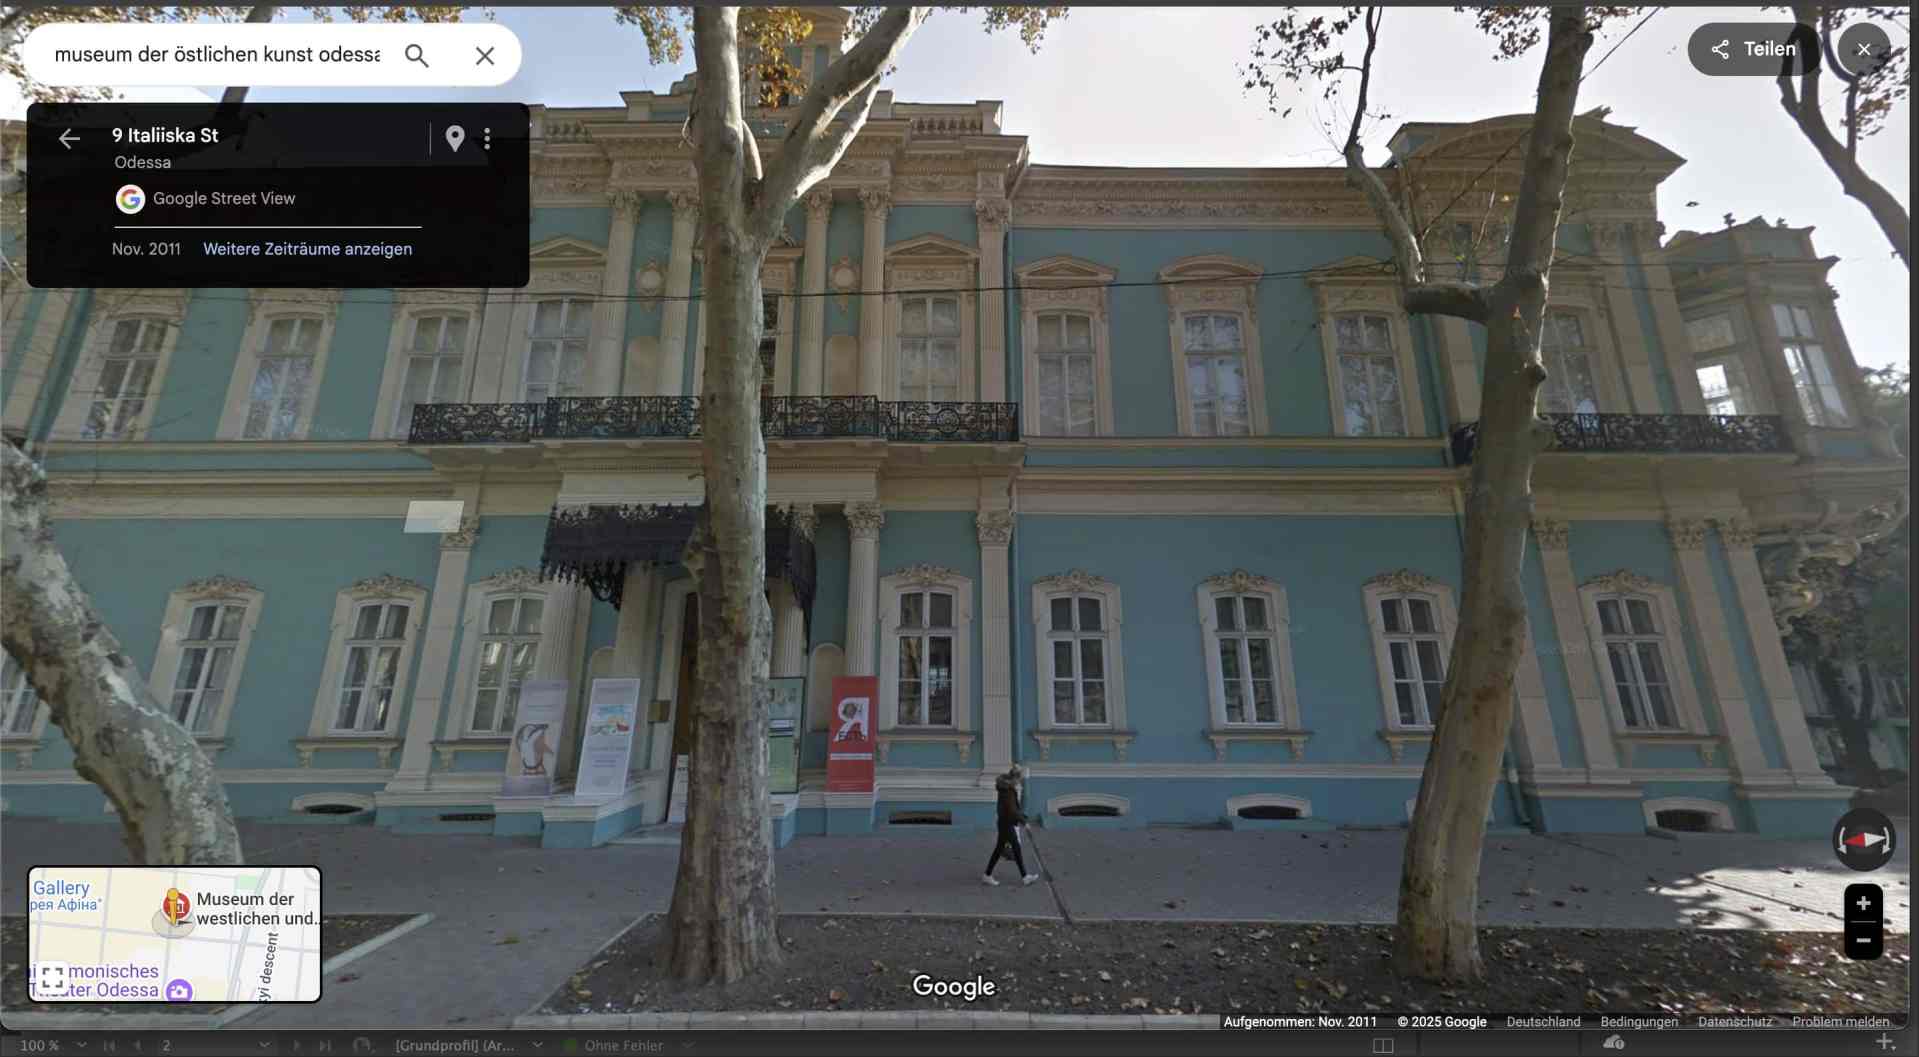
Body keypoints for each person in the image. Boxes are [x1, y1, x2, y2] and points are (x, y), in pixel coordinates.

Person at [983, 766, 1040, 886]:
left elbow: (1013, 808)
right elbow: (1012, 810)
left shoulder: (1007, 787)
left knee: (1000, 849)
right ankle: (1024, 877)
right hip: (1006, 824)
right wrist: (1024, 822)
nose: (1019, 782)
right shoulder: (1007, 790)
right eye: (1019, 779)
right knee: (1014, 848)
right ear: (1014, 778)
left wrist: (1022, 817)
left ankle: (987, 875)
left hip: (1005, 822)